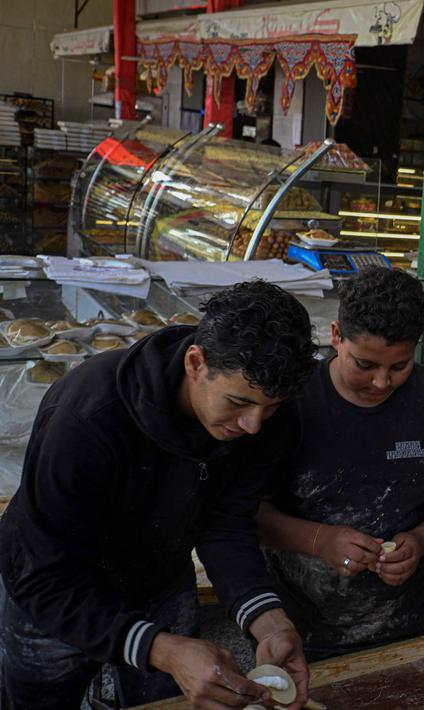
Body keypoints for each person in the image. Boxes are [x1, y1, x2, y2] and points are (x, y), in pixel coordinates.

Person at [0, 280, 318, 709]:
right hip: (58, 590)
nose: (253, 426)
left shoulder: (266, 415)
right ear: (195, 361)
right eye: (238, 403)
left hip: (159, 579)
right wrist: (162, 648)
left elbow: (227, 522)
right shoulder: (88, 416)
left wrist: (268, 620)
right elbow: (40, 573)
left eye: (271, 407)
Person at [256, 267, 424, 661]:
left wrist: (423, 538)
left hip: (407, 622)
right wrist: (317, 540)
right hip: (301, 628)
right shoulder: (291, 402)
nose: (381, 383)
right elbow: (248, 512)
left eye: (399, 366)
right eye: (364, 364)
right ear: (336, 336)